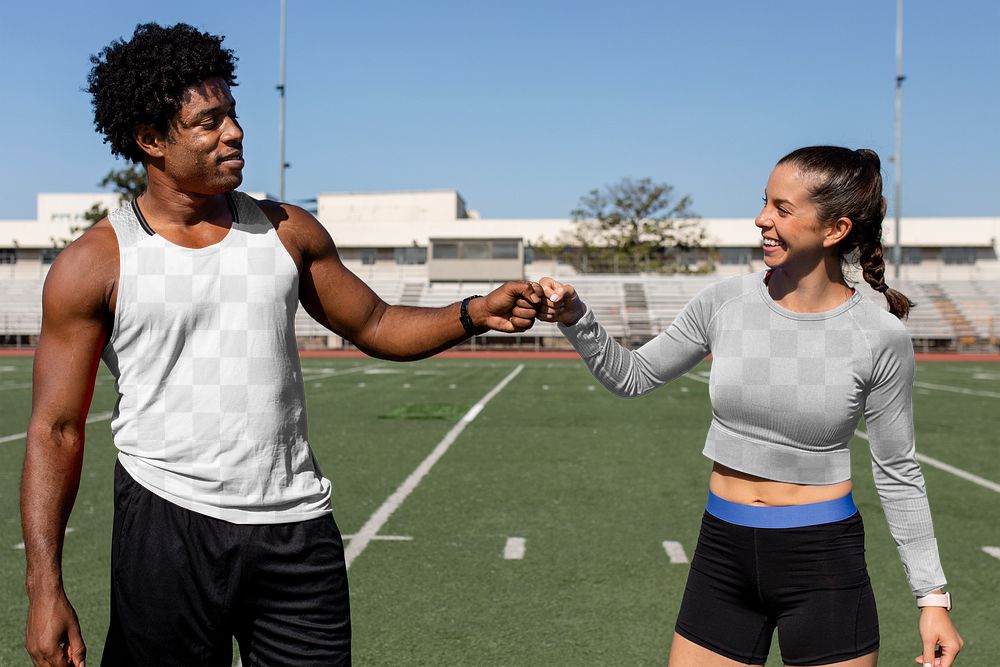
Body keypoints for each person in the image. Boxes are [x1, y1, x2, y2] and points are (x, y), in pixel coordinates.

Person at [21, 22, 542, 667]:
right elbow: (58, 428)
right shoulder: (95, 263)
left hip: (296, 527)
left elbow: (376, 324)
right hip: (167, 523)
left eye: (232, 115)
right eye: (207, 122)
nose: (234, 133)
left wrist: (473, 312)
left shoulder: (287, 231)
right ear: (151, 140)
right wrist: (45, 585)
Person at [537, 146, 963, 667]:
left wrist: (933, 600)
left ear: (836, 229)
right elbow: (633, 376)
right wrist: (577, 317)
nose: (762, 219)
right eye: (765, 202)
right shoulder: (723, 303)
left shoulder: (880, 336)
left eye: (783, 209)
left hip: (823, 563)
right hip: (722, 552)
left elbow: (898, 471)